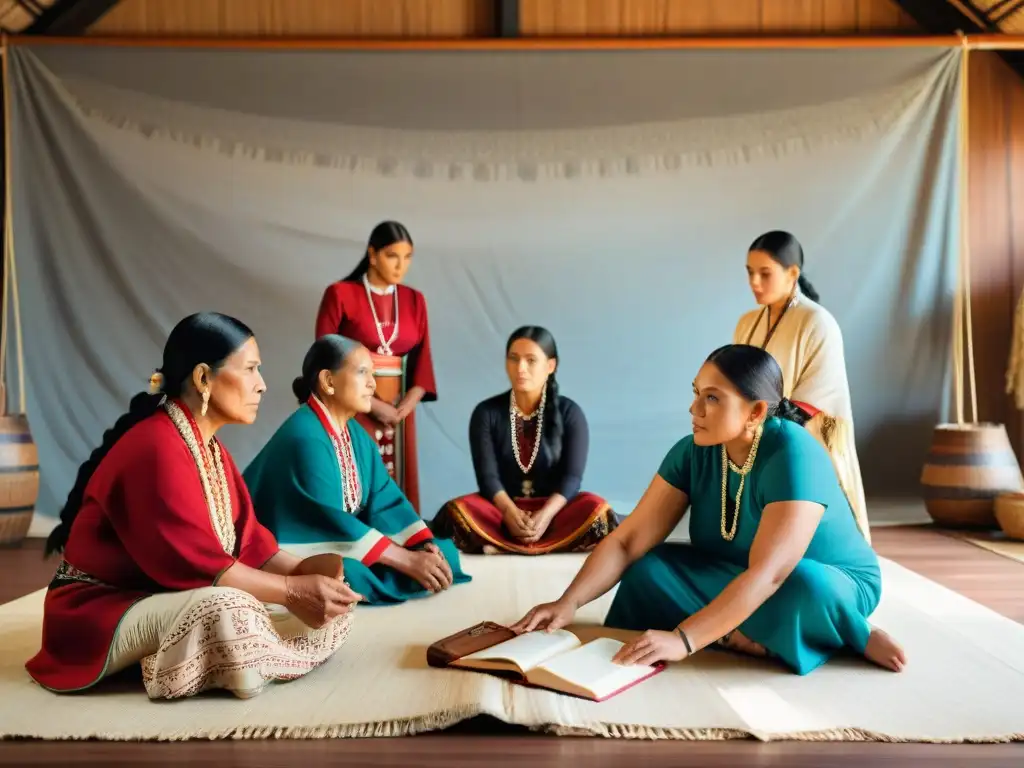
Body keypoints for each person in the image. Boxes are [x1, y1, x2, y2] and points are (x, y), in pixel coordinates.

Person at [512, 344, 905, 677]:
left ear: (756, 412)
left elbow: (770, 575)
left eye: (712, 398)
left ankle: (851, 629)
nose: (694, 408)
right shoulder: (693, 450)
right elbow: (629, 541)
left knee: (804, 585)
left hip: (824, 582)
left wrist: (683, 639)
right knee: (649, 568)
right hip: (736, 572)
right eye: (696, 393)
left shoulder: (793, 453)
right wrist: (569, 602)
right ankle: (740, 634)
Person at [25, 313, 360, 701]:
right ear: (204, 379)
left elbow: (249, 543)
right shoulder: (156, 447)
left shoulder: (209, 449)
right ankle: (221, 659)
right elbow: (200, 565)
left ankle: (228, 656)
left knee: (326, 601)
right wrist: (291, 591)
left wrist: (306, 576)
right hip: (97, 610)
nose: (262, 384)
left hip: (161, 596)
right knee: (230, 609)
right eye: (251, 369)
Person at [244, 334, 471, 602]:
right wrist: (405, 560)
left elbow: (385, 496)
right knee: (347, 573)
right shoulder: (305, 435)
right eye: (363, 373)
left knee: (442, 550)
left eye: (372, 374)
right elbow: (324, 521)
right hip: (294, 541)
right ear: (328, 381)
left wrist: (420, 544)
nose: (373, 384)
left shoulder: (355, 432)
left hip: (343, 535)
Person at [733, 230, 870, 543]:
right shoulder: (746, 322)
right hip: (753, 432)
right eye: (750, 273)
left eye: (764, 274)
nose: (754, 282)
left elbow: (819, 398)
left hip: (804, 437)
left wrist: (762, 424)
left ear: (792, 273)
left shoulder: (818, 322)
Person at [432, 326, 617, 555]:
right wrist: (510, 512)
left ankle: (498, 545)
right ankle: (542, 543)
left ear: (550, 366)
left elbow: (572, 478)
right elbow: (487, 477)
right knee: (456, 510)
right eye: (513, 359)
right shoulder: (486, 412)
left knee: (597, 508)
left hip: (554, 513)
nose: (520, 368)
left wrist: (545, 515)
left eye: (531, 360)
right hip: (501, 511)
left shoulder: (570, 413)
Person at [315, 221, 435, 515]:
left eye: (408, 257)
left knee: (398, 483)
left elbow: (423, 362)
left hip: (399, 411)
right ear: (373, 254)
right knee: (357, 474)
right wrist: (371, 405)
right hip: (352, 405)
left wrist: (406, 405)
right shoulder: (340, 294)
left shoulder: (414, 300)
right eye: (393, 256)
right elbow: (324, 356)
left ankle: (402, 541)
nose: (401, 265)